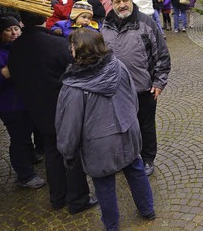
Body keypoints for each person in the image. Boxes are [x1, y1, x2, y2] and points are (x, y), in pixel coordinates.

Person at [56, 29, 155, 230]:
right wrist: (129, 121)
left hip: (98, 143)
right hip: (127, 130)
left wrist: (67, 151)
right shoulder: (118, 66)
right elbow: (132, 99)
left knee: (104, 184)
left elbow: (69, 123)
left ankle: (111, 225)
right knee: (135, 170)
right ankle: (148, 210)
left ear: (77, 51)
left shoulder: (74, 85)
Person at [8, 11, 96, 214]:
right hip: (62, 107)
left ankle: (57, 198)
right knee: (71, 153)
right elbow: (76, 71)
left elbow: (15, 74)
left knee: (52, 153)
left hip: (36, 109)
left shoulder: (16, 47)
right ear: (44, 18)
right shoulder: (56, 44)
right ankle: (78, 199)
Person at [101, 0, 171, 176]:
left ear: (131, 0)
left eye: (126, 0)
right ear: (112, 4)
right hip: (116, 90)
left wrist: (158, 83)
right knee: (120, 126)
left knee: (145, 126)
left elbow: (162, 56)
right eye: (118, 2)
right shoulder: (105, 26)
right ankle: (126, 157)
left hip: (143, 88)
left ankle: (147, 158)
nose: (122, 5)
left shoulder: (146, 24)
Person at [0, 14, 46, 188]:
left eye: (16, 28)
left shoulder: (24, 46)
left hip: (28, 101)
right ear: (1, 34)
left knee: (27, 131)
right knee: (19, 139)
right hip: (10, 105)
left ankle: (31, 155)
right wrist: (2, 74)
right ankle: (25, 176)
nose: (14, 33)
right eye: (9, 30)